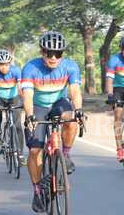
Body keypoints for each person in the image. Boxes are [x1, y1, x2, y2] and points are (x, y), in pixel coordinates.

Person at [21, 31, 84, 213]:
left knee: (72, 119)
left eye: (58, 53)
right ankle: (37, 190)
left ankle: (65, 154)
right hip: (38, 107)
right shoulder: (30, 68)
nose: (54, 57)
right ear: (42, 52)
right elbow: (28, 94)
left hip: (58, 104)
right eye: (49, 53)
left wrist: (78, 110)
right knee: (34, 150)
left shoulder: (70, 66)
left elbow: (75, 91)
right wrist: (30, 115)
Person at [0, 49, 26, 165]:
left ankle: (20, 154)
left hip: (13, 98)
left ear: (10, 64)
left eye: (6, 65)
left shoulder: (16, 71)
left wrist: (25, 101)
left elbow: (20, 88)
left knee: (18, 125)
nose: (4, 67)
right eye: (1, 65)